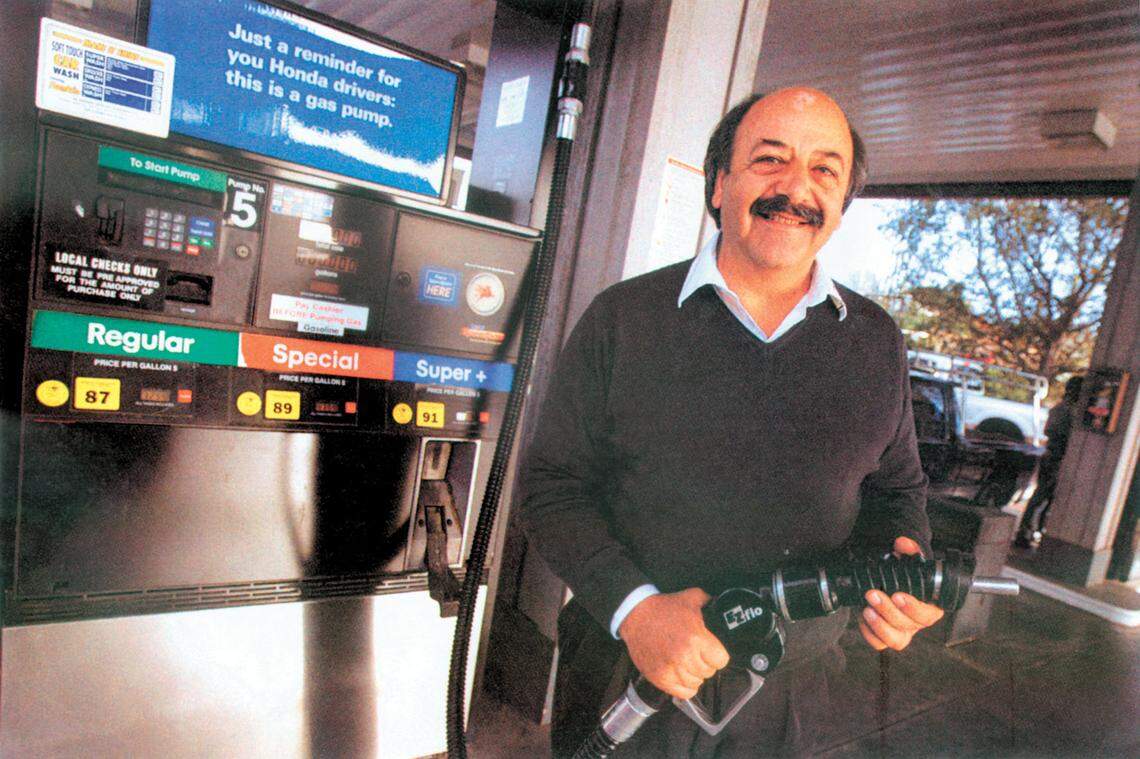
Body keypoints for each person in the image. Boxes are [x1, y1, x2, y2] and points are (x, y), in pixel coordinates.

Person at [517, 88, 944, 757]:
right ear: (720, 184)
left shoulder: (876, 340)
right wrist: (637, 609)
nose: (795, 187)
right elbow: (550, 485)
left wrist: (901, 572)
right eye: (770, 160)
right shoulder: (623, 319)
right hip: (628, 672)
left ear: (839, 205)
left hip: (795, 693)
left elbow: (897, 490)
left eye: (824, 170)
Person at [1015, 375, 1083, 548]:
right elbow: (1054, 432)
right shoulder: (1065, 409)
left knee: (1047, 498)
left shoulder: (1066, 408)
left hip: (1055, 457)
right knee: (1041, 497)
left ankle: (1034, 530)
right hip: (1055, 458)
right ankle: (1025, 532)